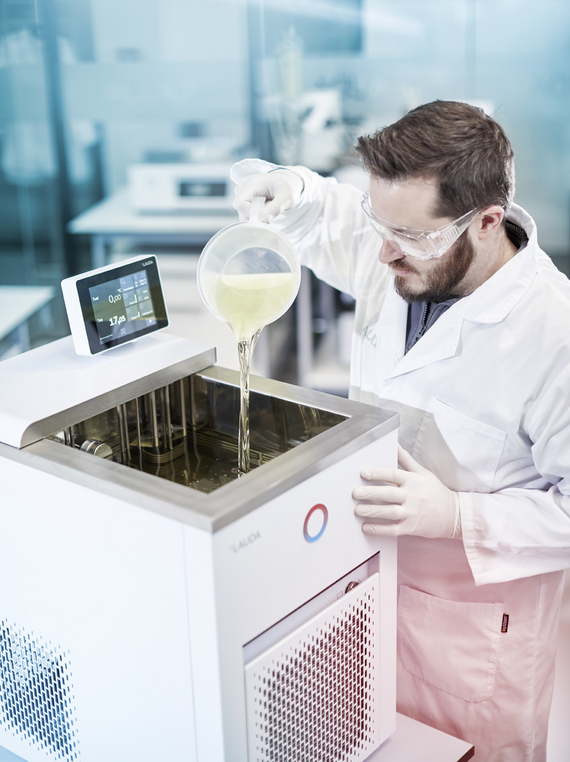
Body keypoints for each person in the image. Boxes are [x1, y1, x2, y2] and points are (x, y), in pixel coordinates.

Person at [231, 100, 570, 762]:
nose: (382, 250)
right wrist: (291, 193)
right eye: (376, 224)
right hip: (367, 588)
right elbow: (327, 216)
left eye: (408, 237)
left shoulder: (553, 335)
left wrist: (457, 516)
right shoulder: (402, 246)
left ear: (487, 223)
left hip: (474, 634)